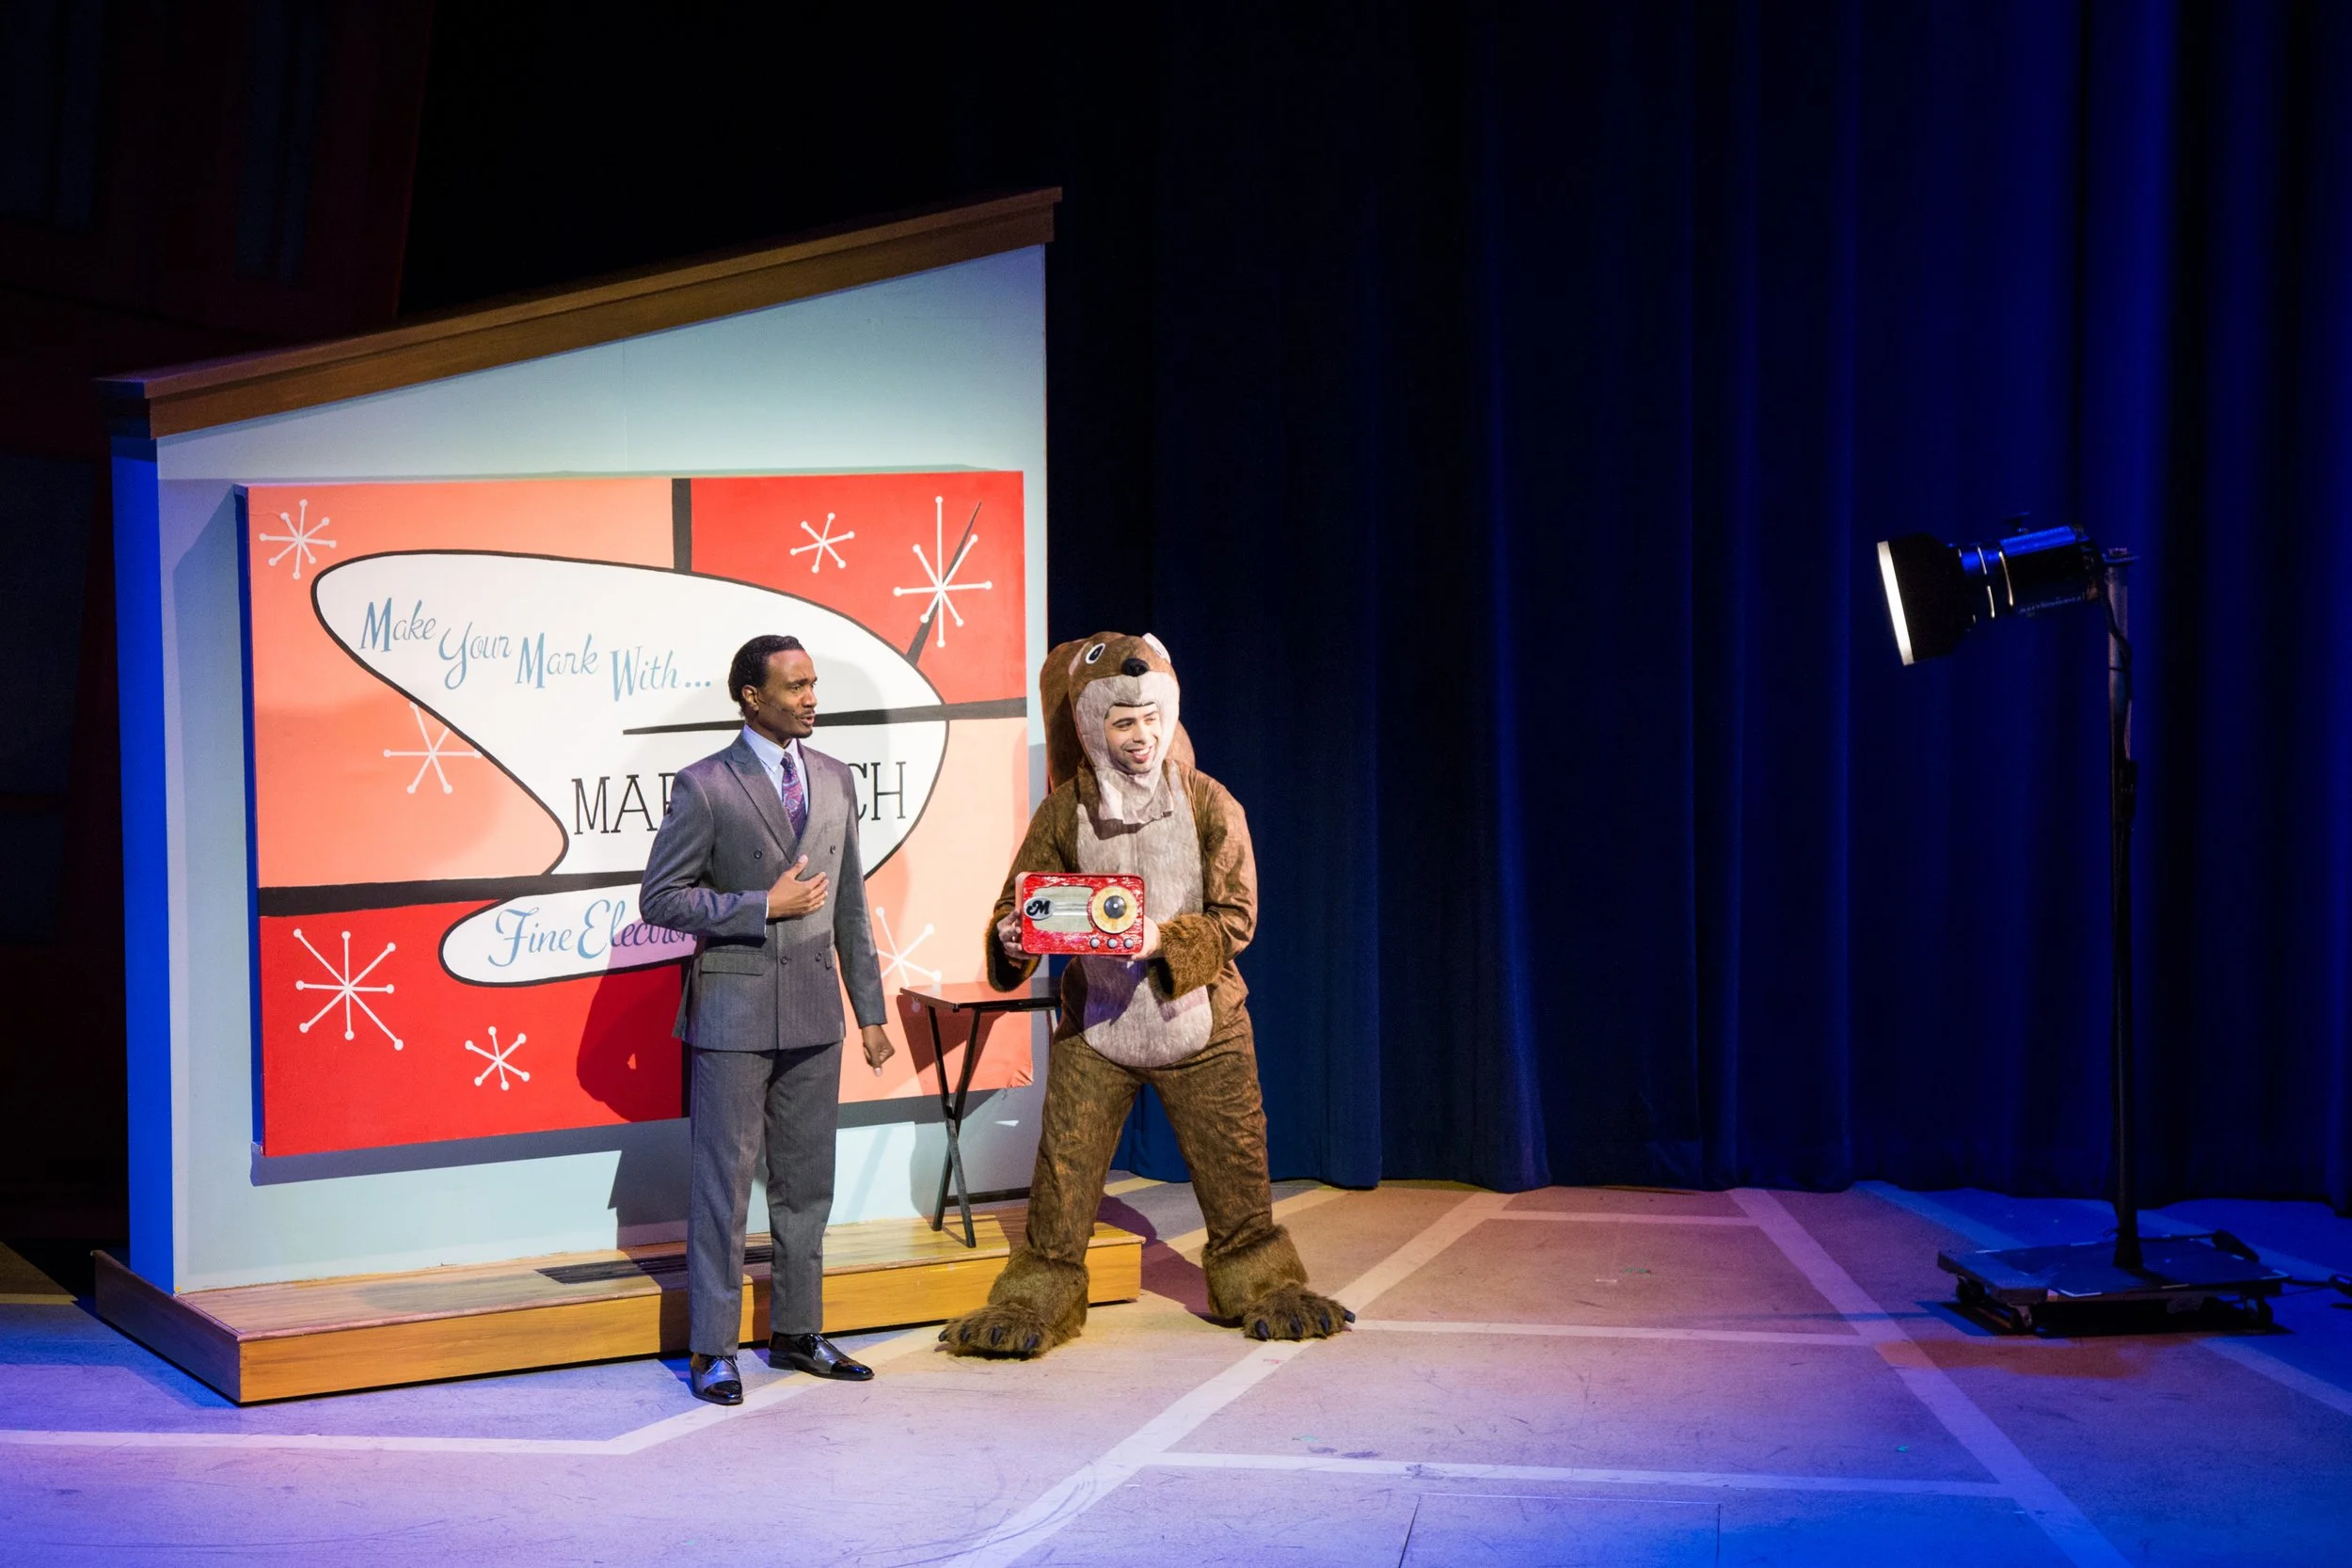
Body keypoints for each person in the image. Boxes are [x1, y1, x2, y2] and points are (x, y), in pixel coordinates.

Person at [937, 630, 1349, 1357]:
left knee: (1237, 1175)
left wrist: (1161, 940)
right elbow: (1018, 909)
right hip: (1099, 1029)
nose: (1141, 736)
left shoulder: (1209, 801)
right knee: (1062, 1184)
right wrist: (1012, 939)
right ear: (1095, 725)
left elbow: (1237, 916)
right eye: (1124, 721)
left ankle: (1262, 1282)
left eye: (1152, 718)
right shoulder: (1063, 812)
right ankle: (1040, 1295)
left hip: (1201, 1024)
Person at [640, 633, 896, 1404]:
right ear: (752, 696)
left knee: (807, 1186)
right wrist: (760, 904)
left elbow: (850, 901)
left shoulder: (835, 778)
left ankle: (798, 1330)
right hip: (733, 1013)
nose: (811, 696)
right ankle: (713, 1349)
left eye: (814, 682)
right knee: (725, 1186)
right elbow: (660, 898)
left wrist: (871, 1011)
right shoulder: (706, 784)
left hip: (817, 1014)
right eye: (795, 685)